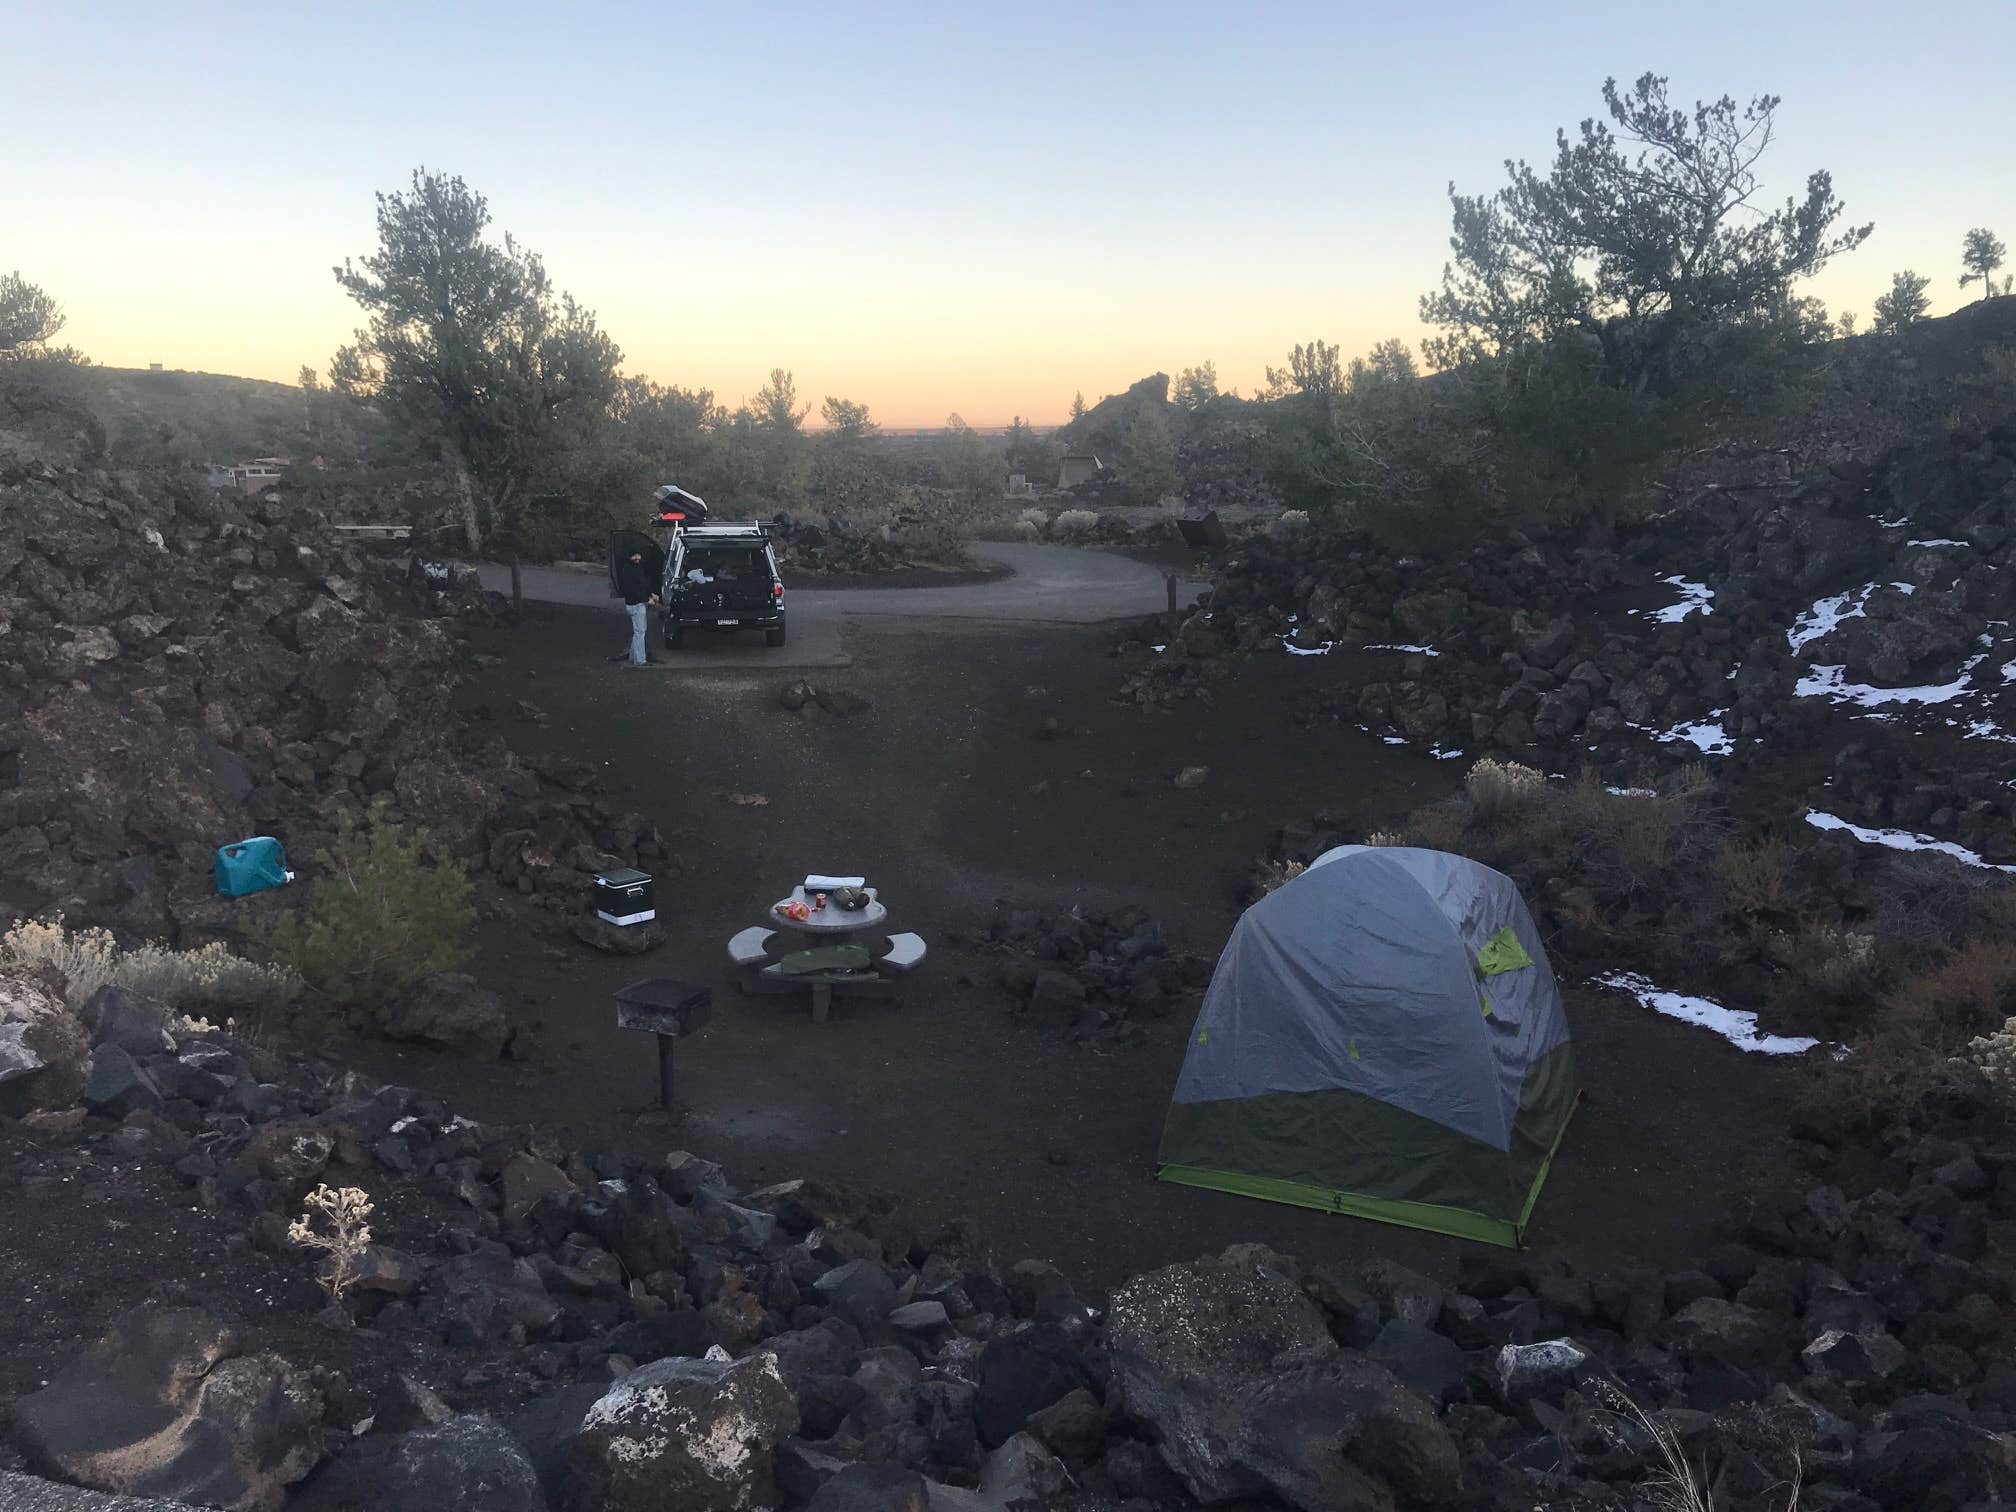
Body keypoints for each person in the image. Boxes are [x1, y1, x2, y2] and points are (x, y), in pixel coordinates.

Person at [613, 550, 661, 666]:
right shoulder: (631, 571)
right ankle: (640, 660)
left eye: (638, 555)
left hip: (634, 603)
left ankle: (633, 656)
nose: (637, 557)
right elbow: (635, 589)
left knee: (638, 631)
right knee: (640, 632)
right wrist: (646, 598)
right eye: (634, 555)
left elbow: (641, 585)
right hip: (636, 604)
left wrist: (650, 594)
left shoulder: (631, 569)